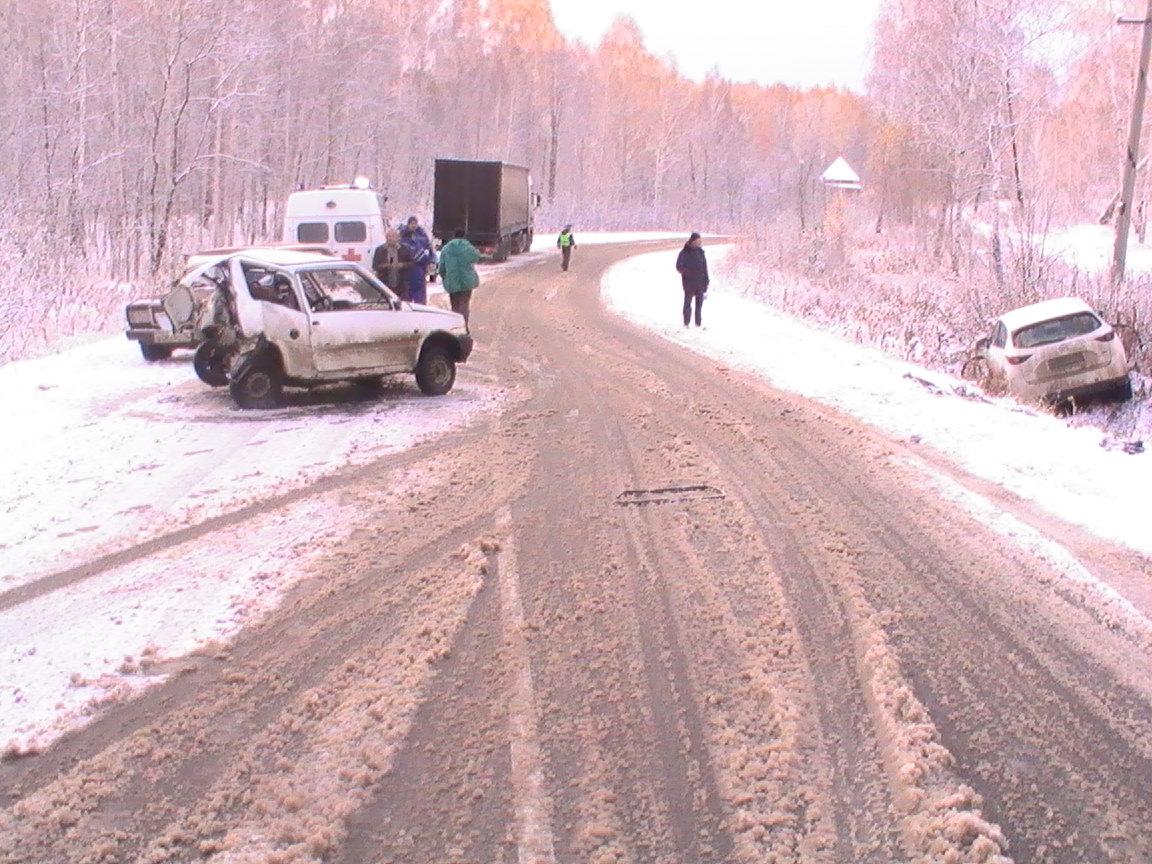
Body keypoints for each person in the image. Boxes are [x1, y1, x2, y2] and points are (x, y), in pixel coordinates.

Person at [438, 229, 482, 327]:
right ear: (464, 236)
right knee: (464, 304)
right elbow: (476, 257)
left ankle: (456, 326)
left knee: (454, 306)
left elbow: (441, 267)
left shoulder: (446, 249)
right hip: (467, 281)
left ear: (454, 236)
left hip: (452, 281)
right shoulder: (468, 247)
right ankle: (464, 326)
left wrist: (445, 277)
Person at [675, 232, 709, 327]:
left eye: (700, 240)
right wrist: (688, 273)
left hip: (700, 283)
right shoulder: (684, 253)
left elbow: (705, 268)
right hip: (689, 283)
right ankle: (686, 323)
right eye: (698, 240)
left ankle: (698, 324)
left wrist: (706, 281)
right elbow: (679, 266)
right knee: (687, 304)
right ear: (693, 241)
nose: (700, 242)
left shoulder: (701, 252)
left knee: (699, 305)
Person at [400, 215, 435, 304]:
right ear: (408, 224)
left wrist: (430, 262)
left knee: (420, 297)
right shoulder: (403, 235)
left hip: (419, 270)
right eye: (412, 223)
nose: (414, 225)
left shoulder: (422, 235)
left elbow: (430, 251)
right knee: (407, 297)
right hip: (406, 272)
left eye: (415, 223)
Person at [371, 228, 407, 294]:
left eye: (393, 236)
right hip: (385, 285)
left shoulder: (403, 249)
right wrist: (385, 266)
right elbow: (374, 266)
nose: (390, 238)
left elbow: (412, 263)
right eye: (389, 236)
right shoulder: (380, 250)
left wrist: (402, 265)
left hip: (400, 285)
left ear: (398, 238)